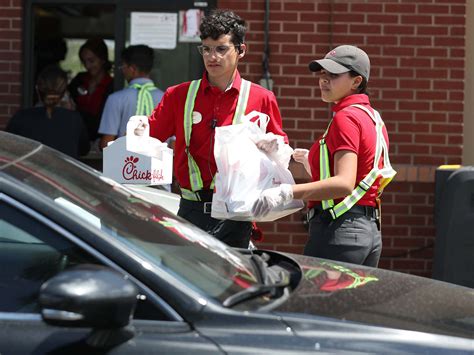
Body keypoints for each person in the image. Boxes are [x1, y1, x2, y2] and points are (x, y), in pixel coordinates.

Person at [143, 9, 288, 248]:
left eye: (221, 49)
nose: (212, 57)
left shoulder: (261, 98)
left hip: (237, 212)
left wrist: (275, 147)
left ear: (241, 50)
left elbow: (281, 153)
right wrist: (132, 134)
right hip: (191, 209)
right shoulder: (178, 95)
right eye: (206, 49)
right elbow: (146, 138)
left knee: (232, 284)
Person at [252, 45, 396, 267]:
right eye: (322, 74)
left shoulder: (345, 118)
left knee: (319, 300)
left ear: (356, 81)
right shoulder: (371, 116)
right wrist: (309, 159)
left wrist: (286, 192)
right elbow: (358, 176)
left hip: (339, 231)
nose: (324, 80)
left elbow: (343, 183)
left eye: (334, 75)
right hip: (367, 232)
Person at [6, 65, 90, 159]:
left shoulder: (21, 117)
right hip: (64, 173)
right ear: (64, 92)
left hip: (31, 172)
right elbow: (84, 150)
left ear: (37, 89)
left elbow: (6, 148)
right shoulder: (74, 119)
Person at [98, 44, 164, 150]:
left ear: (132, 68)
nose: (123, 71)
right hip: (158, 165)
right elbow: (173, 144)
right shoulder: (167, 99)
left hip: (125, 165)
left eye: (123, 66)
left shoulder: (115, 99)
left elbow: (106, 144)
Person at [68, 38, 113, 142]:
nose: (87, 66)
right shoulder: (79, 80)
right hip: (76, 136)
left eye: (91, 61)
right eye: (84, 62)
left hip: (99, 140)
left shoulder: (111, 85)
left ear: (102, 59)